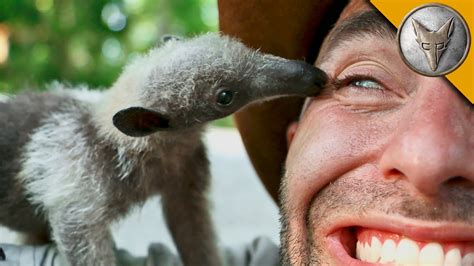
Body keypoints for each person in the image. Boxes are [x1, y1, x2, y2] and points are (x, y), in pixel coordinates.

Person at [1, 0, 472, 265]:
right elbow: (76, 229)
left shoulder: (184, 148)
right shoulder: (86, 155)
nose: (427, 159)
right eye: (362, 80)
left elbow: (192, 230)